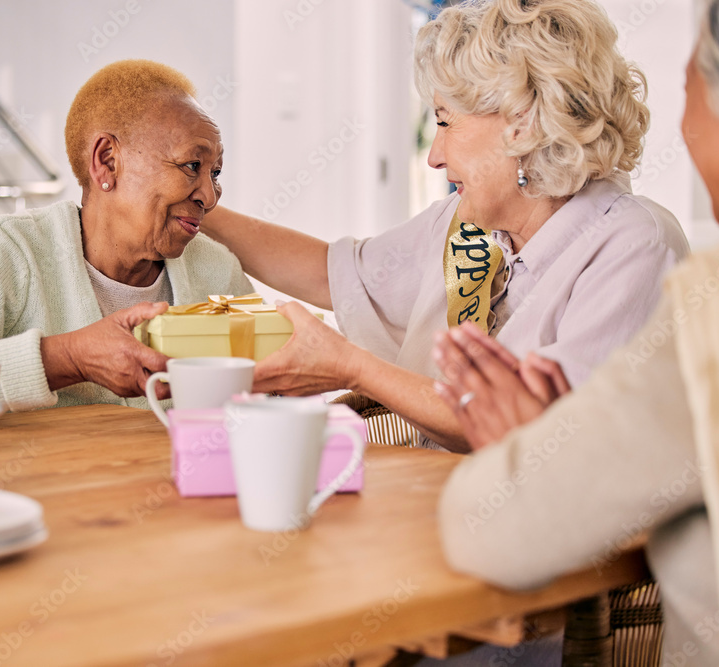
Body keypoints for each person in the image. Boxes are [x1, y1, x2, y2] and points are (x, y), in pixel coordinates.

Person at [199, 0, 688, 452]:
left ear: (524, 122)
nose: (433, 155)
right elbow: (332, 273)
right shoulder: (471, 226)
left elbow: (535, 435)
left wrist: (351, 366)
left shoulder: (633, 244)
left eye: (446, 122)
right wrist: (199, 211)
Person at [430, 1, 719, 663]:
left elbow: (493, 528)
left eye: (690, 93)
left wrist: (526, 454)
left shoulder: (718, 306)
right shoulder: (477, 234)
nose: (682, 130)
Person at [0, 60, 252, 412]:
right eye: (192, 166)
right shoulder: (6, 250)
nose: (209, 196)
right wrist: (67, 359)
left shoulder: (218, 272)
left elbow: (260, 398)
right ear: (107, 161)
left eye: (216, 172)